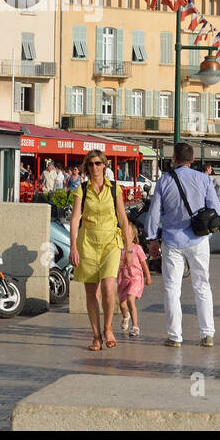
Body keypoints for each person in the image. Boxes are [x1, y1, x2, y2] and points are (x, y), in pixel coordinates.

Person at [143, 142, 220, 348]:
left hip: (172, 241)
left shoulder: (164, 181)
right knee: (202, 285)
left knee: (171, 289)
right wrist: (206, 235)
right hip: (199, 240)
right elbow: (216, 211)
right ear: (193, 160)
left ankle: (175, 336)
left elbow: (154, 212)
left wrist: (152, 239)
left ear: (174, 159)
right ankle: (207, 334)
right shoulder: (204, 179)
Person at [69, 150, 132, 351]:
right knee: (91, 293)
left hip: (110, 242)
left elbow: (123, 219)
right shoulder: (82, 189)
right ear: (87, 167)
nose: (94, 167)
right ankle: (96, 336)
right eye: (91, 164)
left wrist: (129, 249)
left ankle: (108, 329)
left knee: (107, 287)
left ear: (104, 165)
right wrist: (73, 247)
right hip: (88, 242)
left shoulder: (115, 189)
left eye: (98, 163)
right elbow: (75, 218)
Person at [116, 236, 151, 338]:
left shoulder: (137, 248)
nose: (124, 236)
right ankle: (126, 316)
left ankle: (135, 327)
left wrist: (148, 276)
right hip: (123, 279)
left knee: (130, 300)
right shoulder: (118, 249)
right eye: (122, 234)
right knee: (122, 304)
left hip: (135, 278)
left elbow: (144, 264)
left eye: (127, 234)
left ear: (133, 236)